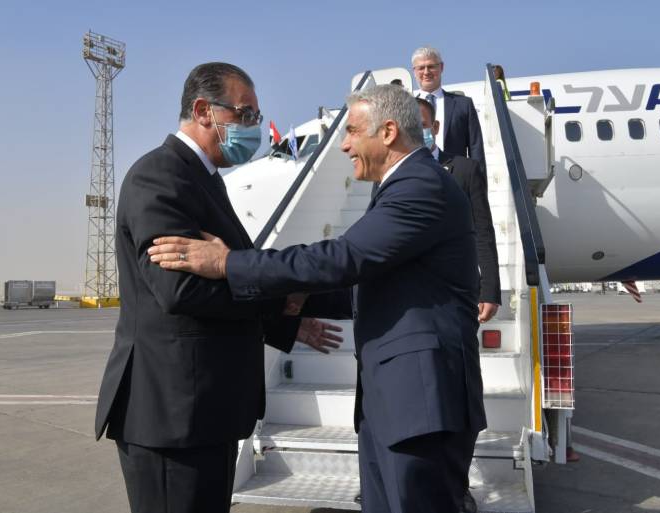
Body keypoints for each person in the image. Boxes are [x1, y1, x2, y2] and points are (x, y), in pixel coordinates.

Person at [148, 84, 487, 513]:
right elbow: (374, 282)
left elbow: (344, 258)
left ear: (387, 132)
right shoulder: (402, 186)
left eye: (352, 131)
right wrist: (299, 301)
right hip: (399, 402)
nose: (343, 144)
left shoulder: (420, 186)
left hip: (421, 402)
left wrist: (228, 263)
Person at [94, 62, 342, 513]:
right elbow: (180, 291)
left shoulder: (202, 178)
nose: (253, 127)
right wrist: (271, 299)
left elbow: (225, 279)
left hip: (204, 412)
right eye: (245, 114)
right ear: (203, 111)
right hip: (173, 415)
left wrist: (284, 320)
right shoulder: (160, 175)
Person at [418, 97, 500, 321]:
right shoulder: (389, 174)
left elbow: (483, 231)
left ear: (435, 127)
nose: (416, 132)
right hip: (410, 295)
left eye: (422, 125)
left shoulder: (466, 170)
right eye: (409, 127)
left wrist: (490, 290)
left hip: (457, 292)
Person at [411, 46, 486, 171]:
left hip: (455, 177)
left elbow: (476, 149)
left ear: (441, 67)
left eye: (431, 66)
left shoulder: (464, 105)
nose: (426, 72)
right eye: (421, 68)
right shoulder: (406, 107)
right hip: (417, 175)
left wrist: (479, 181)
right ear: (414, 72)